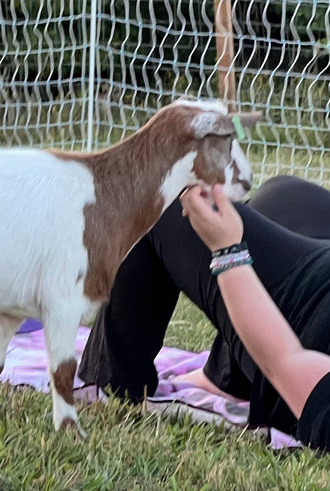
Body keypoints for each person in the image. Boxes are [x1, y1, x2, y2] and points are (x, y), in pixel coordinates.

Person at [81, 175, 330, 452]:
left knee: (156, 194)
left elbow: (286, 362)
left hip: (303, 317)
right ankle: (228, 378)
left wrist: (228, 250)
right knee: (285, 193)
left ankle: (111, 383)